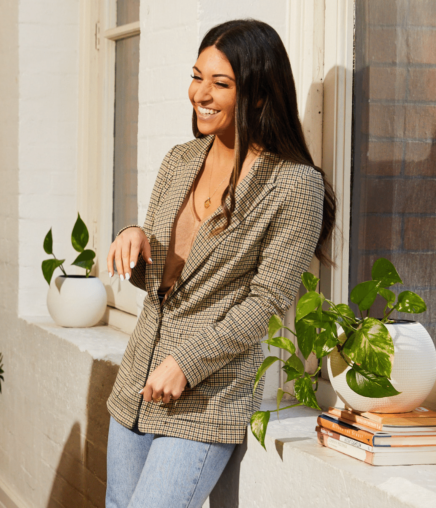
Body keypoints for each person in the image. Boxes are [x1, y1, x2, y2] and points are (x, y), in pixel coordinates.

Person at [104, 19, 337, 508]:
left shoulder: (294, 186)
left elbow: (266, 302)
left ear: (257, 94)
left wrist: (185, 365)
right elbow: (161, 282)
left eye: (220, 83)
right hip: (135, 387)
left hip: (207, 398)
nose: (200, 94)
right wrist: (134, 237)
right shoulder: (178, 160)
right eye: (197, 76)